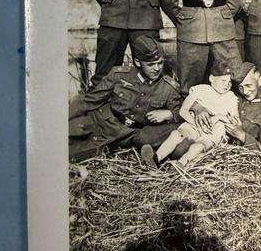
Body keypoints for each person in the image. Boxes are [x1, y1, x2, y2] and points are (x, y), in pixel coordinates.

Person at [68, 35, 180, 164]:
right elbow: (89, 101)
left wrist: (171, 114)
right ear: (138, 62)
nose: (157, 68)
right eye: (151, 64)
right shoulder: (119, 75)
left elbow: (182, 114)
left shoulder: (168, 87)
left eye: (160, 63)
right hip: (100, 120)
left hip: (126, 134)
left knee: (71, 155)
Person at [156, 60, 240, 166]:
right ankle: (155, 159)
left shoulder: (231, 97)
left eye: (229, 82)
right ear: (212, 78)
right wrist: (195, 124)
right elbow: (183, 111)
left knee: (197, 147)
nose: (227, 85)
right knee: (176, 134)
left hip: (213, 132)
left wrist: (219, 117)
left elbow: (235, 121)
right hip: (194, 124)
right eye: (223, 81)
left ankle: (179, 166)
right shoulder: (200, 90)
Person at [223, 61, 261, 151]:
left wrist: (242, 136)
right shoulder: (236, 98)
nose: (245, 92)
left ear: (260, 81)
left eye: (248, 85)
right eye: (241, 87)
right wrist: (198, 107)